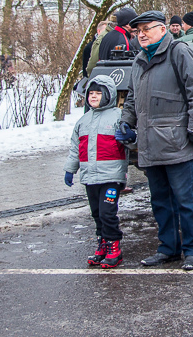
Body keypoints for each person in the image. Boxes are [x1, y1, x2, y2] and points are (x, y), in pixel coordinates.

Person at [115, 10, 193, 270]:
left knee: (185, 202)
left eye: (147, 29)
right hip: (149, 143)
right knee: (159, 201)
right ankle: (168, 248)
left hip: (176, 142)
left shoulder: (178, 52)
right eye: (138, 31)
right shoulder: (138, 61)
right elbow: (133, 98)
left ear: (162, 29)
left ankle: (192, 251)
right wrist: (127, 121)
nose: (142, 34)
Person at [64, 75, 129, 269]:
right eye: (90, 93)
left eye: (98, 93)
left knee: (108, 212)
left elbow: (131, 142)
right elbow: (75, 147)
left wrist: (129, 137)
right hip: (90, 177)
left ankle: (113, 246)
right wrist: (70, 169)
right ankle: (102, 243)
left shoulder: (118, 116)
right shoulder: (83, 121)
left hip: (111, 177)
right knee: (96, 213)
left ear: (108, 95)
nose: (93, 97)